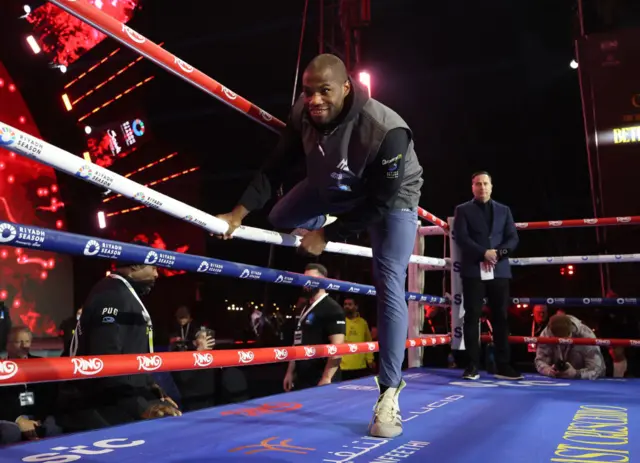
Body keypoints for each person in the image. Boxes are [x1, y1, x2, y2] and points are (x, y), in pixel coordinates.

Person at [216, 53, 423, 438]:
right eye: (308, 92)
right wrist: (237, 214)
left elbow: (379, 203)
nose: (314, 100)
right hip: (334, 185)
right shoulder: (303, 113)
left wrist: (327, 235)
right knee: (279, 217)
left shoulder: (386, 130)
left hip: (392, 199)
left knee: (389, 279)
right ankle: (325, 219)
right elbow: (275, 166)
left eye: (324, 91)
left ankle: (389, 393)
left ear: (346, 88)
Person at [56, 245, 181, 432]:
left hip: (114, 398)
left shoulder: (119, 292)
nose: (157, 274)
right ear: (135, 266)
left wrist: (154, 390)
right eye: (153, 268)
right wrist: (141, 407)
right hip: (98, 404)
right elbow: (106, 360)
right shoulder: (113, 295)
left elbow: (131, 354)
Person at [453, 171, 523, 381]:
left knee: (500, 316)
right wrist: (483, 253)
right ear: (472, 187)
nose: (482, 187)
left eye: (485, 183)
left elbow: (513, 238)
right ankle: (472, 365)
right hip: (474, 269)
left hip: (499, 269)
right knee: (472, 317)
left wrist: (498, 254)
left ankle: (503, 365)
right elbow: (462, 238)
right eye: (478, 184)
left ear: (491, 186)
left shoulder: (504, 210)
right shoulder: (463, 210)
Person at [283, 263, 345, 391]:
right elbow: (297, 342)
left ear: (322, 280)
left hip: (321, 377)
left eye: (310, 279)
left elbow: (337, 347)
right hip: (302, 376)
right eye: (304, 278)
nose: (306, 282)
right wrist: (290, 372)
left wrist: (326, 378)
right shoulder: (304, 307)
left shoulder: (332, 308)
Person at [535, 313, 605, 380]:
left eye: (564, 339)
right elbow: (540, 360)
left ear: (571, 330)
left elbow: (597, 369)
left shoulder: (586, 335)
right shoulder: (546, 334)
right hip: (557, 380)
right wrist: (548, 370)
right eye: (558, 339)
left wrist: (576, 374)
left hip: (585, 382)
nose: (562, 344)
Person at [340, 297, 375, 380]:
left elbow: (368, 341)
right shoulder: (340, 321)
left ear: (356, 307)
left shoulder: (363, 323)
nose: (347, 306)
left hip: (360, 365)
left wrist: (370, 359)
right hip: (343, 366)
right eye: (345, 304)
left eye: (350, 304)